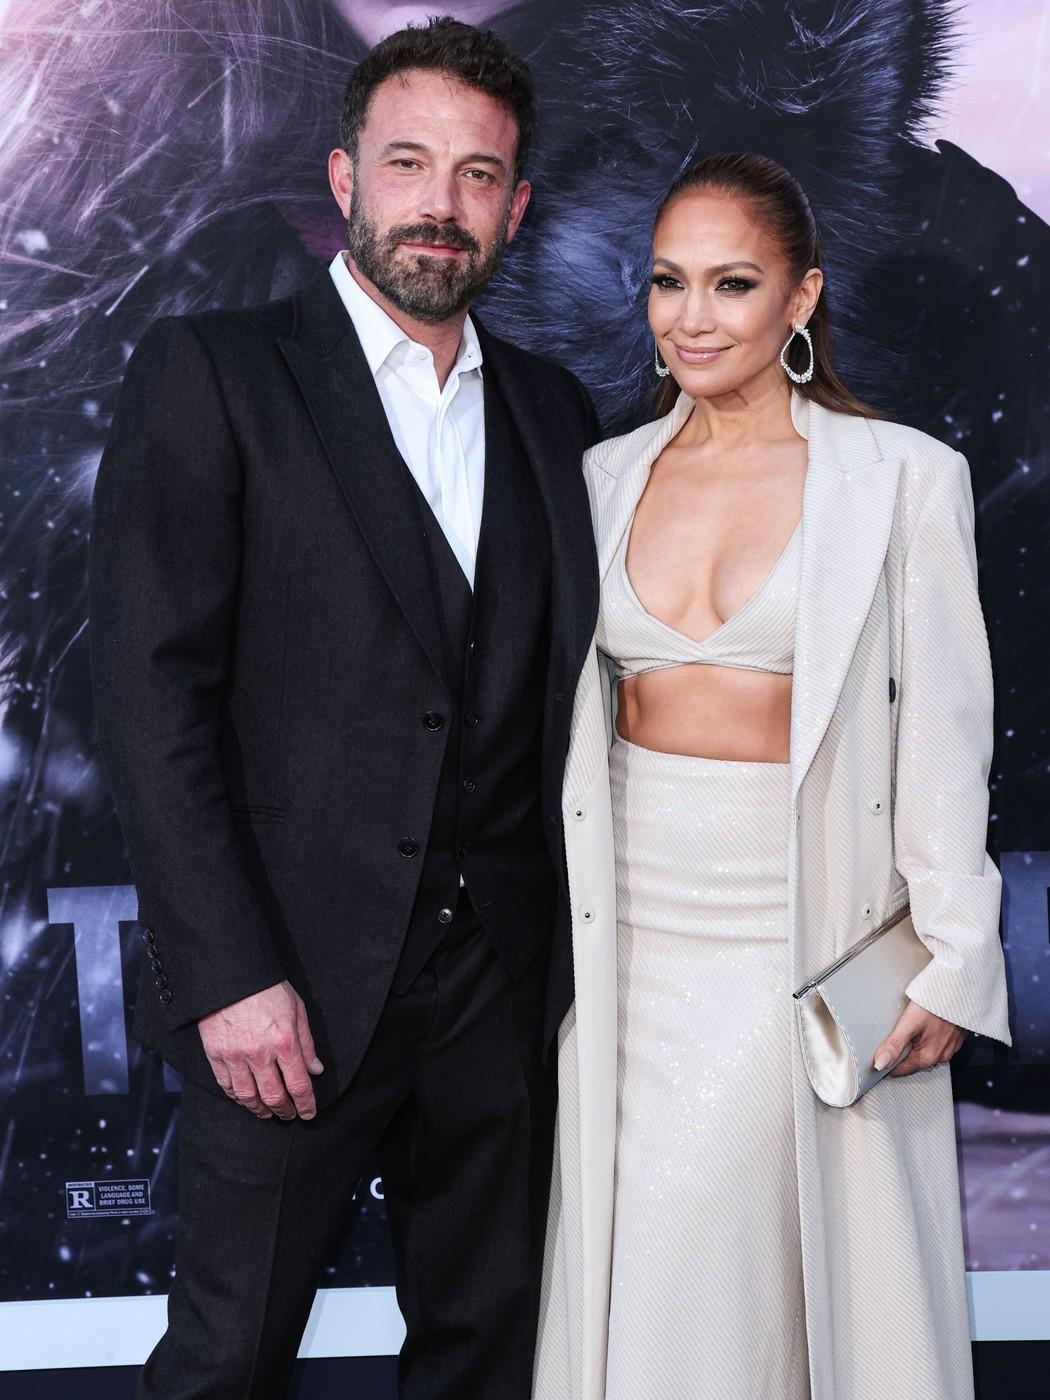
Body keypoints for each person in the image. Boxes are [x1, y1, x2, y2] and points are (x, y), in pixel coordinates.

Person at [89, 17, 599, 1400]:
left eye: (478, 174)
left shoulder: (557, 412)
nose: (441, 203)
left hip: (499, 993)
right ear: (343, 177)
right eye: (408, 162)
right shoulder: (215, 374)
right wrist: (229, 976)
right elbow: (147, 698)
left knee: (488, 1361)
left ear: (516, 206)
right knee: (227, 1363)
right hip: (286, 987)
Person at [534, 152, 1011, 1400]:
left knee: (725, 1269)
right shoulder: (603, 476)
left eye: (731, 283)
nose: (691, 317)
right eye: (667, 282)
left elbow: (947, 730)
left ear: (801, 296)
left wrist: (956, 947)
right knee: (642, 1276)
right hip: (626, 940)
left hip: (798, 931)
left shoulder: (902, 477)